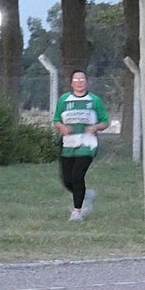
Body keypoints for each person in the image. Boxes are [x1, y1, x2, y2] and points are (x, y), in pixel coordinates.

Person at [52, 69, 109, 221]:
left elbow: (105, 121)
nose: (79, 82)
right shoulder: (64, 100)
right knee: (67, 180)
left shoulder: (94, 100)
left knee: (78, 176)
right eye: (76, 80)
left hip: (87, 144)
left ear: (86, 82)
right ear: (71, 83)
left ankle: (77, 211)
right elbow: (56, 119)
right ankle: (86, 194)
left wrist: (95, 127)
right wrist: (62, 127)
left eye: (82, 79)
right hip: (68, 144)